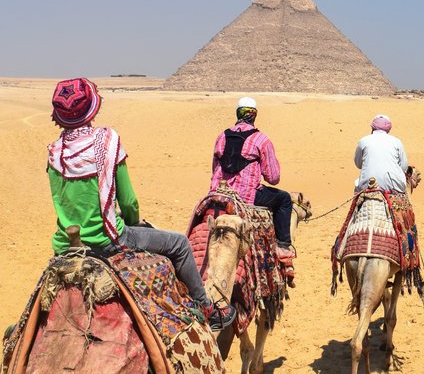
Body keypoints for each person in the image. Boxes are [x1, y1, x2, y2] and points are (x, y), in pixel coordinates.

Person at [47, 78, 234, 331]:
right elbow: (129, 201)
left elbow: (62, 201)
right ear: (92, 108)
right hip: (107, 241)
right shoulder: (106, 143)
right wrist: (133, 222)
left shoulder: (55, 153)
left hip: (65, 246)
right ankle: (206, 308)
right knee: (178, 244)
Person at [210, 96, 293, 256]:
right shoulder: (261, 140)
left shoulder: (221, 136)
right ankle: (283, 247)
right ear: (254, 115)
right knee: (284, 199)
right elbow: (273, 178)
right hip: (246, 196)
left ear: (237, 114)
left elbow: (215, 169)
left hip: (219, 194)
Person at [354, 114, 408, 193]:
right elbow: (403, 167)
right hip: (393, 185)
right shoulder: (396, 142)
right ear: (388, 129)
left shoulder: (363, 141)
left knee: (357, 191)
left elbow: (358, 164)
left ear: (372, 127)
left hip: (367, 184)